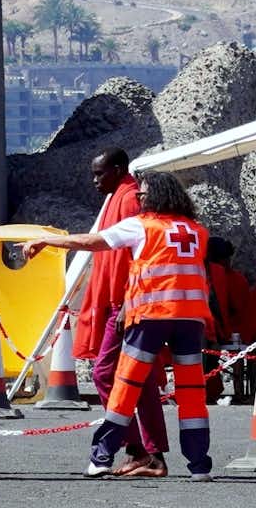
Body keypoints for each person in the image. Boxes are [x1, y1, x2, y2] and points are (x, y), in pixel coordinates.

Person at [28, 170, 220, 481]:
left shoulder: (141, 227)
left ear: (154, 196)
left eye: (142, 196)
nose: (139, 200)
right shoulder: (197, 230)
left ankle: (101, 457)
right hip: (191, 321)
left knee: (126, 388)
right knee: (192, 394)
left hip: (151, 317)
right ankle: (199, 466)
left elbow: (92, 242)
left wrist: (46, 240)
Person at [76, 149, 163, 473]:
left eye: (100, 174)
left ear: (117, 169)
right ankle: (149, 452)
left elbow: (134, 259)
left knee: (108, 375)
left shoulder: (127, 200)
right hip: (127, 304)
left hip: (127, 306)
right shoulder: (121, 196)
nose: (95, 181)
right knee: (138, 380)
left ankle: (138, 447)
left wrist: (126, 302)